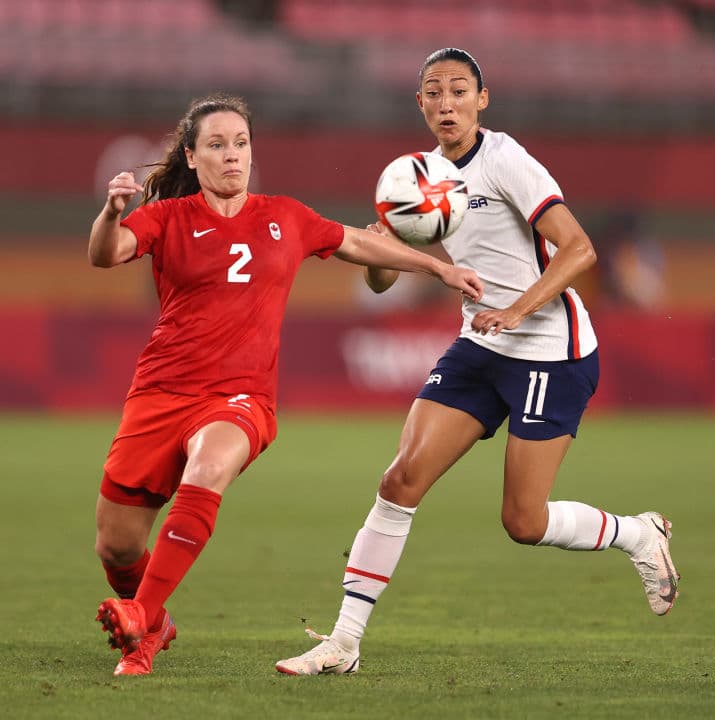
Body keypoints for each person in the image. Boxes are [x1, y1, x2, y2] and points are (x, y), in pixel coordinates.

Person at [275, 48, 680, 676]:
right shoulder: (418, 178)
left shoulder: (505, 160)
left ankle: (637, 534)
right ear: (420, 104)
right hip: (481, 346)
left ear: (481, 99)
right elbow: (384, 282)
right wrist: (386, 239)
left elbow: (579, 250)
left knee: (523, 520)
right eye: (433, 92)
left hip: (553, 349)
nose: (446, 104)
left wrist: (517, 311)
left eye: (459, 90)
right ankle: (344, 643)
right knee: (399, 482)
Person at [89, 92, 483, 677]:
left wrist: (441, 268)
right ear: (192, 159)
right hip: (161, 391)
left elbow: (357, 241)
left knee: (209, 467)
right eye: (217, 145)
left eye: (241, 143)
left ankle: (142, 621)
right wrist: (109, 213)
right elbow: (106, 254)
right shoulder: (167, 218)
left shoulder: (286, 217)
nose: (232, 156)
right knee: (116, 545)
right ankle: (155, 618)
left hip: (241, 397)